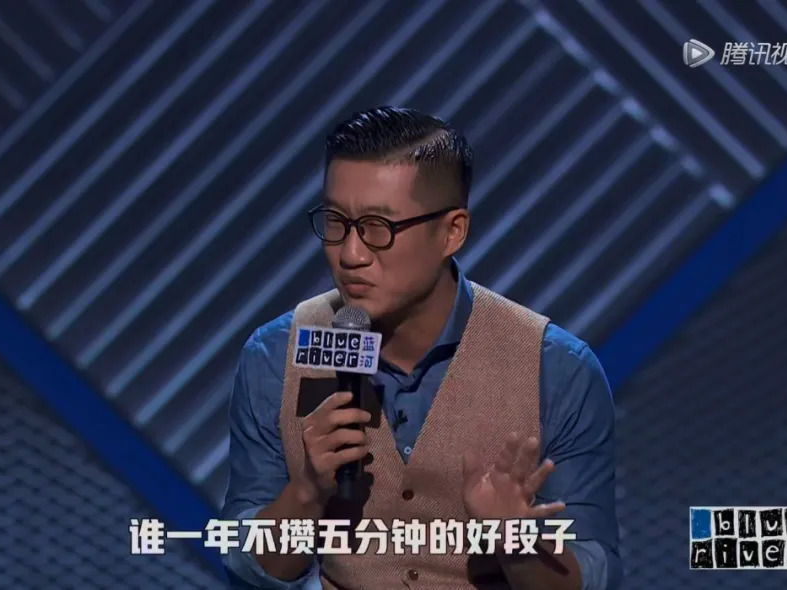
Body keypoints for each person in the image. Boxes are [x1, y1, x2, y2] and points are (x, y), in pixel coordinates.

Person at [223, 106, 622, 589]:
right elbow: (247, 564)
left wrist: (513, 544)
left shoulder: (557, 369)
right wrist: (306, 493)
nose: (350, 254)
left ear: (452, 231)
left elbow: (594, 572)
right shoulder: (274, 357)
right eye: (336, 221)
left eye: (378, 227)